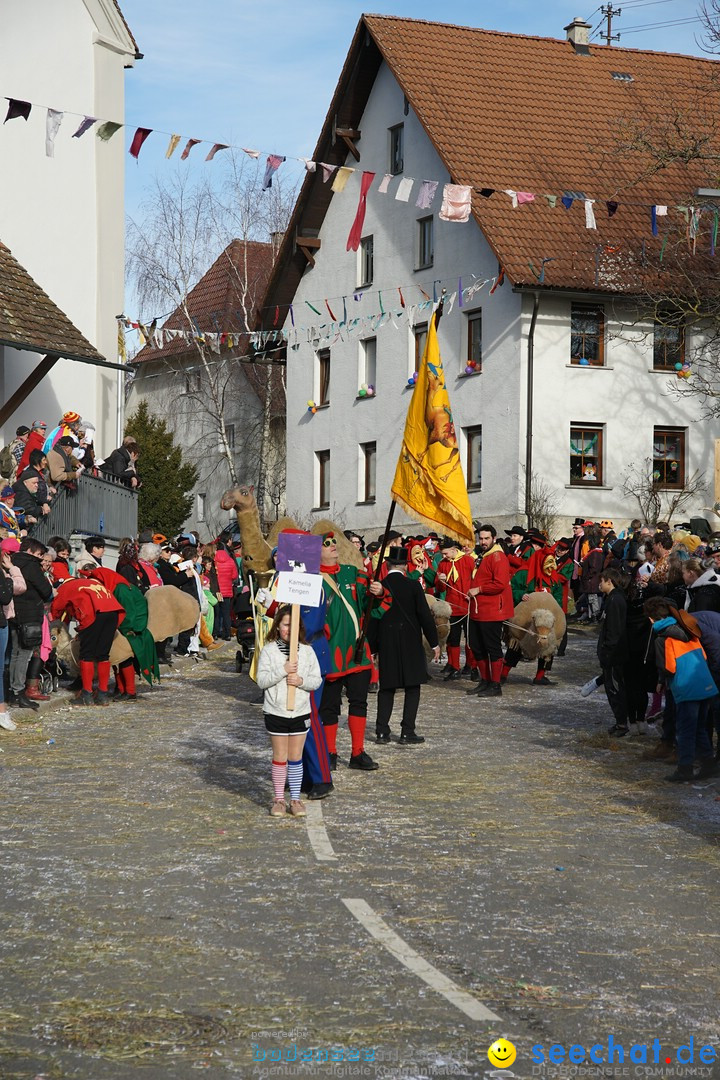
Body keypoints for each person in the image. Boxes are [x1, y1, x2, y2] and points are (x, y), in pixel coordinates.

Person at [318, 531, 389, 771]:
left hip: (358, 651)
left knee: (359, 702)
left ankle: (358, 752)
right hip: (329, 654)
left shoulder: (352, 573)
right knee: (329, 706)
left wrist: (378, 592)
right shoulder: (309, 580)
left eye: (332, 542)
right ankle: (330, 753)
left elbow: (371, 605)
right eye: (326, 544)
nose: (332, 546)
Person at [255, 605, 322, 818]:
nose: (289, 629)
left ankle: (295, 799)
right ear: (278, 626)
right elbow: (262, 680)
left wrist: (301, 681)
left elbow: (316, 680)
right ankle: (279, 799)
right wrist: (282, 670)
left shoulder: (308, 651)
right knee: (280, 757)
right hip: (276, 711)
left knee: (295, 758)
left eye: (293, 625)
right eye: (285, 625)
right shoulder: (269, 650)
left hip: (300, 711)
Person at [644, 595, 718, 782]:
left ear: (652, 619)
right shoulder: (688, 630)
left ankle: (684, 768)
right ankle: (708, 764)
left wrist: (662, 681)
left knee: (684, 729)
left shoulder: (662, 639)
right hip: (705, 685)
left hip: (687, 688)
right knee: (700, 728)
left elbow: (668, 667)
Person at [372, 547, 439, 744]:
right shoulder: (413, 586)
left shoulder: (379, 586)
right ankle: (407, 731)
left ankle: (382, 731)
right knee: (412, 686)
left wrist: (373, 648)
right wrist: (434, 643)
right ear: (405, 566)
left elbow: (373, 619)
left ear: (387, 565)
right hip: (410, 640)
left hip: (386, 641)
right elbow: (425, 617)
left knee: (387, 688)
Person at [50, 564, 125, 706]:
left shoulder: (66, 588)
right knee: (103, 654)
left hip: (95, 614)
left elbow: (56, 609)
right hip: (113, 612)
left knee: (86, 654)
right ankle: (102, 693)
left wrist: (55, 626)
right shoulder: (89, 583)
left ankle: (87, 693)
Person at [466, 524, 513, 697]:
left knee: (492, 647)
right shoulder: (483, 555)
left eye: (486, 538)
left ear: (494, 538)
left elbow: (500, 583)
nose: (483, 541)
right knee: (477, 646)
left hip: (492, 610)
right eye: (481, 538)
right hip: (479, 609)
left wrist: (478, 590)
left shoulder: (498, 557)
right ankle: (485, 680)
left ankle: (495, 684)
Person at [8, 537, 53, 710]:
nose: (41, 558)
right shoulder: (31, 565)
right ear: (30, 551)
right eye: (40, 554)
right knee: (24, 655)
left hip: (13, 614)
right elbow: (46, 591)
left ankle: (13, 692)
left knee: (14, 654)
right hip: (29, 616)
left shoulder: (11, 562)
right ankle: (18, 692)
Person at [434, 536, 475, 680]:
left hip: (469, 605)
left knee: (470, 639)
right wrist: (441, 581)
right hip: (453, 606)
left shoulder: (469, 560)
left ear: (454, 549)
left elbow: (476, 580)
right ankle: (455, 667)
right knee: (454, 638)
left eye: (446, 553)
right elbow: (439, 587)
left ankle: (471, 666)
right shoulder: (443, 564)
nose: (444, 556)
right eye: (442, 554)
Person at [596, 568, 630, 736]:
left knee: (615, 689)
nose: (599, 584)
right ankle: (620, 722)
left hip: (614, 654)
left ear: (609, 581)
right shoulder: (612, 598)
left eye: (601, 581)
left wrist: (607, 653)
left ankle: (622, 724)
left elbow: (615, 631)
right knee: (612, 688)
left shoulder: (616, 600)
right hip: (612, 653)